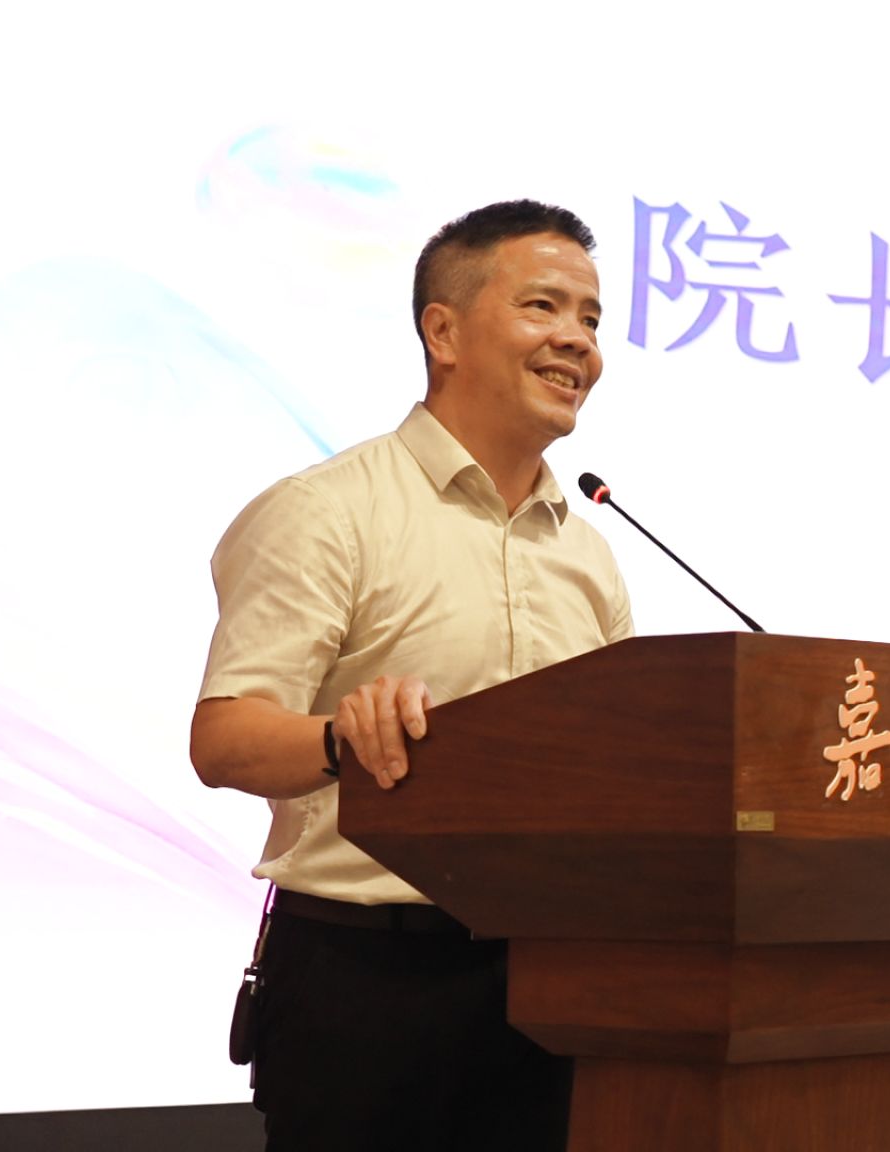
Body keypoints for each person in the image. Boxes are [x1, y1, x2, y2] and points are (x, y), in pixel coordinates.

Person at [189, 199, 634, 1151]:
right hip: (368, 980)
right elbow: (223, 738)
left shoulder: (590, 555)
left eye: (592, 319)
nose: (577, 341)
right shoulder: (327, 511)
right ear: (444, 332)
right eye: (544, 307)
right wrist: (340, 740)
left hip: (553, 984)